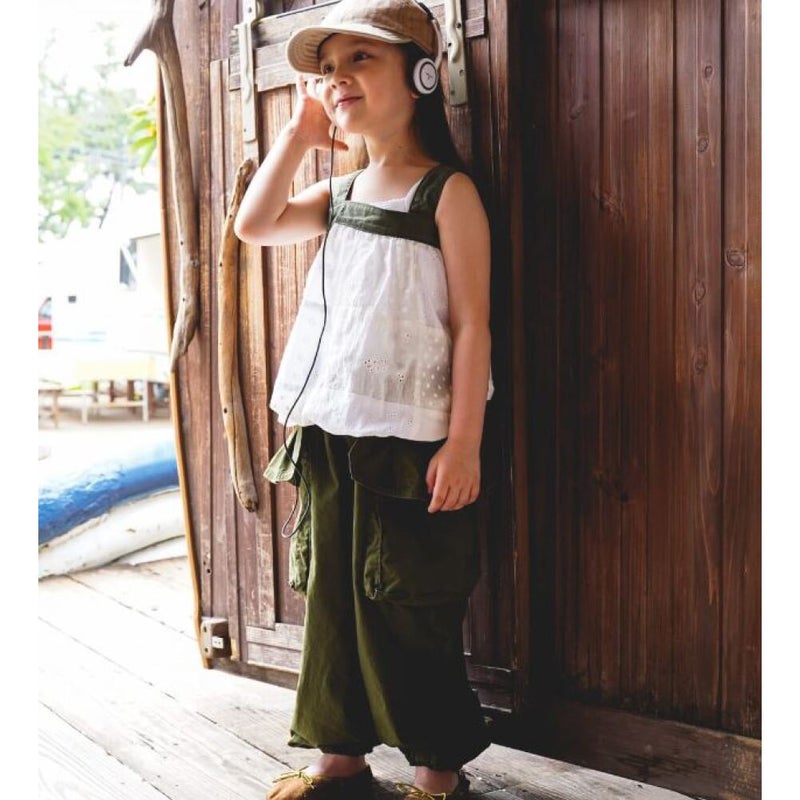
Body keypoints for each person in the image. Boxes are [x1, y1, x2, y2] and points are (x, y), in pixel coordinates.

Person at [234, 1, 493, 797]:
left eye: (361, 60)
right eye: (328, 69)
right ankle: (338, 757)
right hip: (328, 433)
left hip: (410, 440)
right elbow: (254, 225)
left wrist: (463, 443)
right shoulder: (338, 192)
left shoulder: (444, 192)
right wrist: (296, 136)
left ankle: (437, 773)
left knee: (411, 606)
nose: (338, 79)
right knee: (332, 599)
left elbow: (473, 325)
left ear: (422, 77)